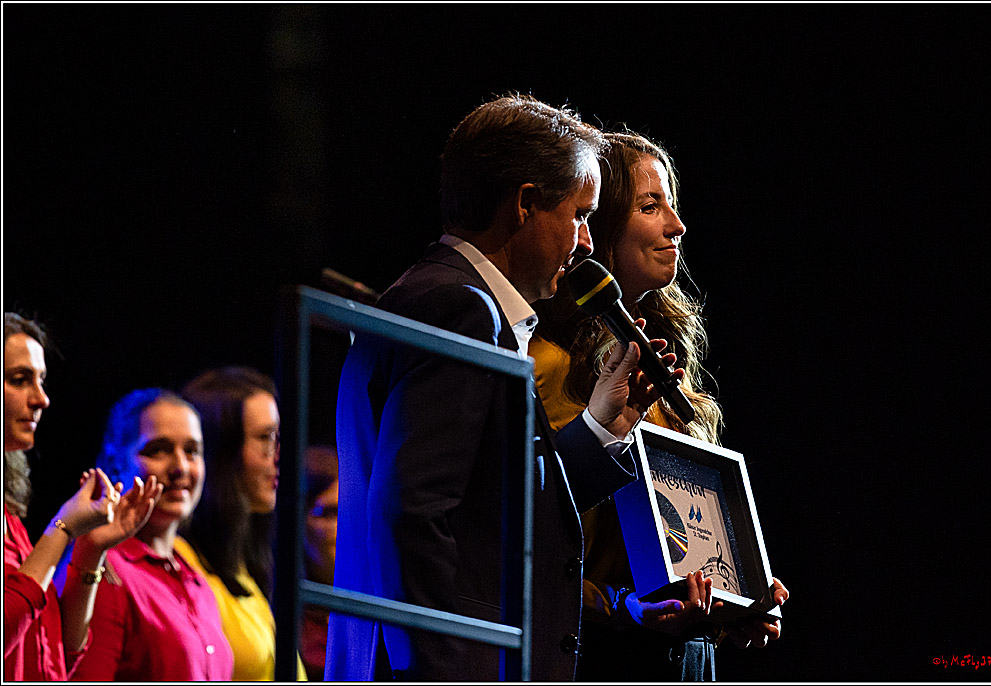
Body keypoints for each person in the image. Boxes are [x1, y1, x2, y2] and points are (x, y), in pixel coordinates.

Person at [326, 94, 681, 681]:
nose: (587, 243)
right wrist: (442, 670)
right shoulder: (456, 307)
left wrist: (602, 427)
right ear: (524, 205)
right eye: (580, 215)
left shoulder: (456, 299)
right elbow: (411, 514)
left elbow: (499, 505)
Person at [531, 131, 789, 680]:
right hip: (597, 657)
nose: (677, 224)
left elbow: (680, 551)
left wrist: (733, 604)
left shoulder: (668, 377)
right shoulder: (544, 366)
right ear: (596, 227)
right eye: (651, 206)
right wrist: (627, 607)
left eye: (671, 203)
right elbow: (529, 542)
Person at [4, 313, 161, 681]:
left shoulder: (10, 518)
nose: (41, 399)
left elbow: (56, 656)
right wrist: (62, 528)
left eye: (40, 380)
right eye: (19, 380)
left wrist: (91, 549)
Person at [71, 388, 234, 680]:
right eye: (158, 449)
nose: (181, 467)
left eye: (192, 451)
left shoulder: (196, 579)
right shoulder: (104, 571)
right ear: (117, 460)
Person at [176, 366, 308, 681]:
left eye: (280, 438)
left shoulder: (246, 572)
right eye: (266, 438)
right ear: (222, 450)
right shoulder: (180, 564)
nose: (280, 456)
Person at [300, 444, 340, 681]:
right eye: (330, 513)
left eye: (350, 512)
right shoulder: (280, 610)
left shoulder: (371, 600)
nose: (344, 525)